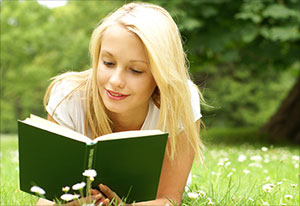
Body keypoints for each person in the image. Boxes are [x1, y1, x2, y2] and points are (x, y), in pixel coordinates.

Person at [37, 2, 204, 205]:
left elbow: (168, 199)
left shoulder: (180, 100)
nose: (115, 80)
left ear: (160, 75)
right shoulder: (68, 96)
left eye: (136, 70)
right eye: (108, 63)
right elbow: (46, 199)